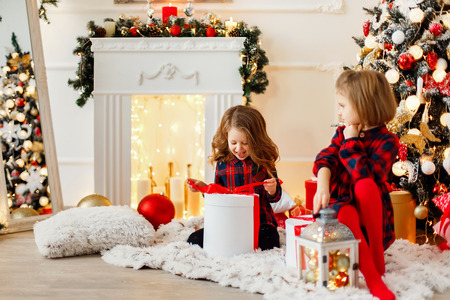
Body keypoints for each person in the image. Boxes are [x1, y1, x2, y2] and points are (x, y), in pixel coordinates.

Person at [313, 69, 399, 300]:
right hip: (342, 212)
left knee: (364, 186)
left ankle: (376, 258)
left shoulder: (388, 141)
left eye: (343, 106)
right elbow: (325, 158)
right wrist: (322, 185)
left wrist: (352, 142)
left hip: (372, 221)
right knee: (344, 211)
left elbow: (367, 175)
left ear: (364, 106)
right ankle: (372, 276)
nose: (339, 112)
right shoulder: (341, 133)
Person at [187, 105, 282, 251]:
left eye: (245, 143)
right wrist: (203, 187)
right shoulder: (222, 164)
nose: (239, 148)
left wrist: (273, 189)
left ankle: (240, 244)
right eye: (234, 143)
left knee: (270, 243)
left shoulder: (264, 161)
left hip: (260, 223)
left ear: (256, 139)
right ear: (226, 138)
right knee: (193, 240)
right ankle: (235, 242)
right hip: (230, 223)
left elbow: (275, 199)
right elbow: (218, 196)